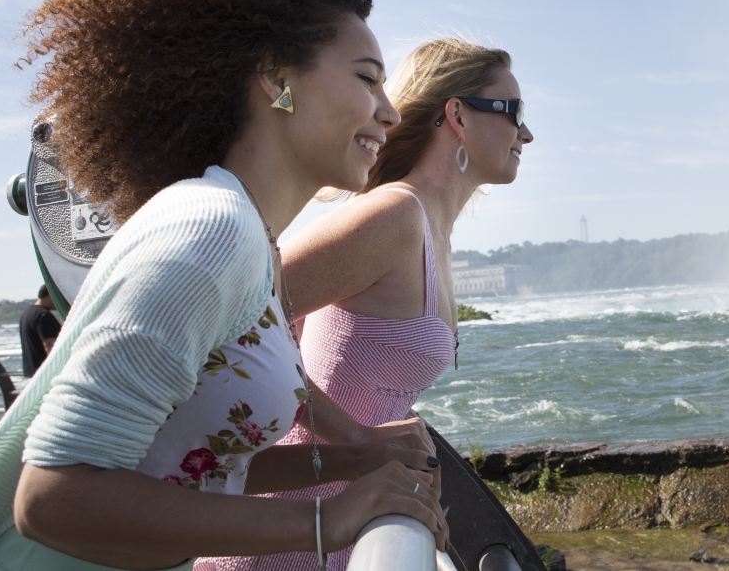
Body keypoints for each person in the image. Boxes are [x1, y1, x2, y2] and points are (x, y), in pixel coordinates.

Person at [0, 0, 447, 571]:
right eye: (366, 77)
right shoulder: (208, 234)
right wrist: (327, 516)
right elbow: (51, 497)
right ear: (276, 77)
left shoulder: (248, 244)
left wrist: (357, 456)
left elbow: (184, 469)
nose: (390, 108)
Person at [218, 38, 534, 571]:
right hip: (296, 520)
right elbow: (227, 316)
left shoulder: (433, 231)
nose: (526, 133)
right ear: (457, 115)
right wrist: (356, 437)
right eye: (514, 112)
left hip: (353, 511)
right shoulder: (392, 219)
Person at [18, 286, 61, 378]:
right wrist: (58, 370)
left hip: (32, 371)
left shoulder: (27, 313)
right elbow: (49, 345)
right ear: (49, 295)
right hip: (45, 373)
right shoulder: (44, 315)